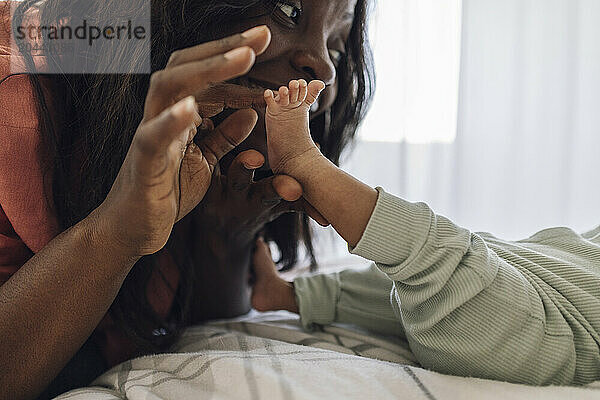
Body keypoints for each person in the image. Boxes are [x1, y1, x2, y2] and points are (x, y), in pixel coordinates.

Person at [0, 0, 372, 398]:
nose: (325, 66)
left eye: (336, 46)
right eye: (288, 10)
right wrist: (116, 234)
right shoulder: (29, 74)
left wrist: (225, 235)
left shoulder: (219, 150)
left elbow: (190, 328)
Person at [250, 78, 600, 387]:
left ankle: (304, 161)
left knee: (439, 259)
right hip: (536, 281)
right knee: (395, 284)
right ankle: (285, 294)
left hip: (546, 334)